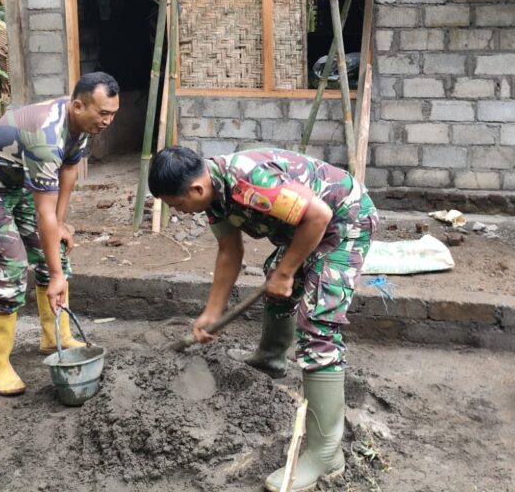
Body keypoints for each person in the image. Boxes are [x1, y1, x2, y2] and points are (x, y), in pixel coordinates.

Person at [149, 146, 378, 492]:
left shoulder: (248, 182)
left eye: (177, 205)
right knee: (275, 276)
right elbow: (230, 250)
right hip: (310, 225)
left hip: (344, 220)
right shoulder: (214, 195)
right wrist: (212, 312)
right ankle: (271, 358)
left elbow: (317, 215)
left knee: (318, 324)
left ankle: (326, 454)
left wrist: (287, 273)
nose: (180, 212)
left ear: (195, 189)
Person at [0, 72, 120, 396]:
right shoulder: (46, 135)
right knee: (11, 264)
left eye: (113, 113)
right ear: (79, 105)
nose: (108, 121)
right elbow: (43, 211)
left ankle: (54, 337)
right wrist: (56, 273)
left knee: (54, 250)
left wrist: (61, 224)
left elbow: (69, 170)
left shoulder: (82, 123)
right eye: (103, 113)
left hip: (15, 183)